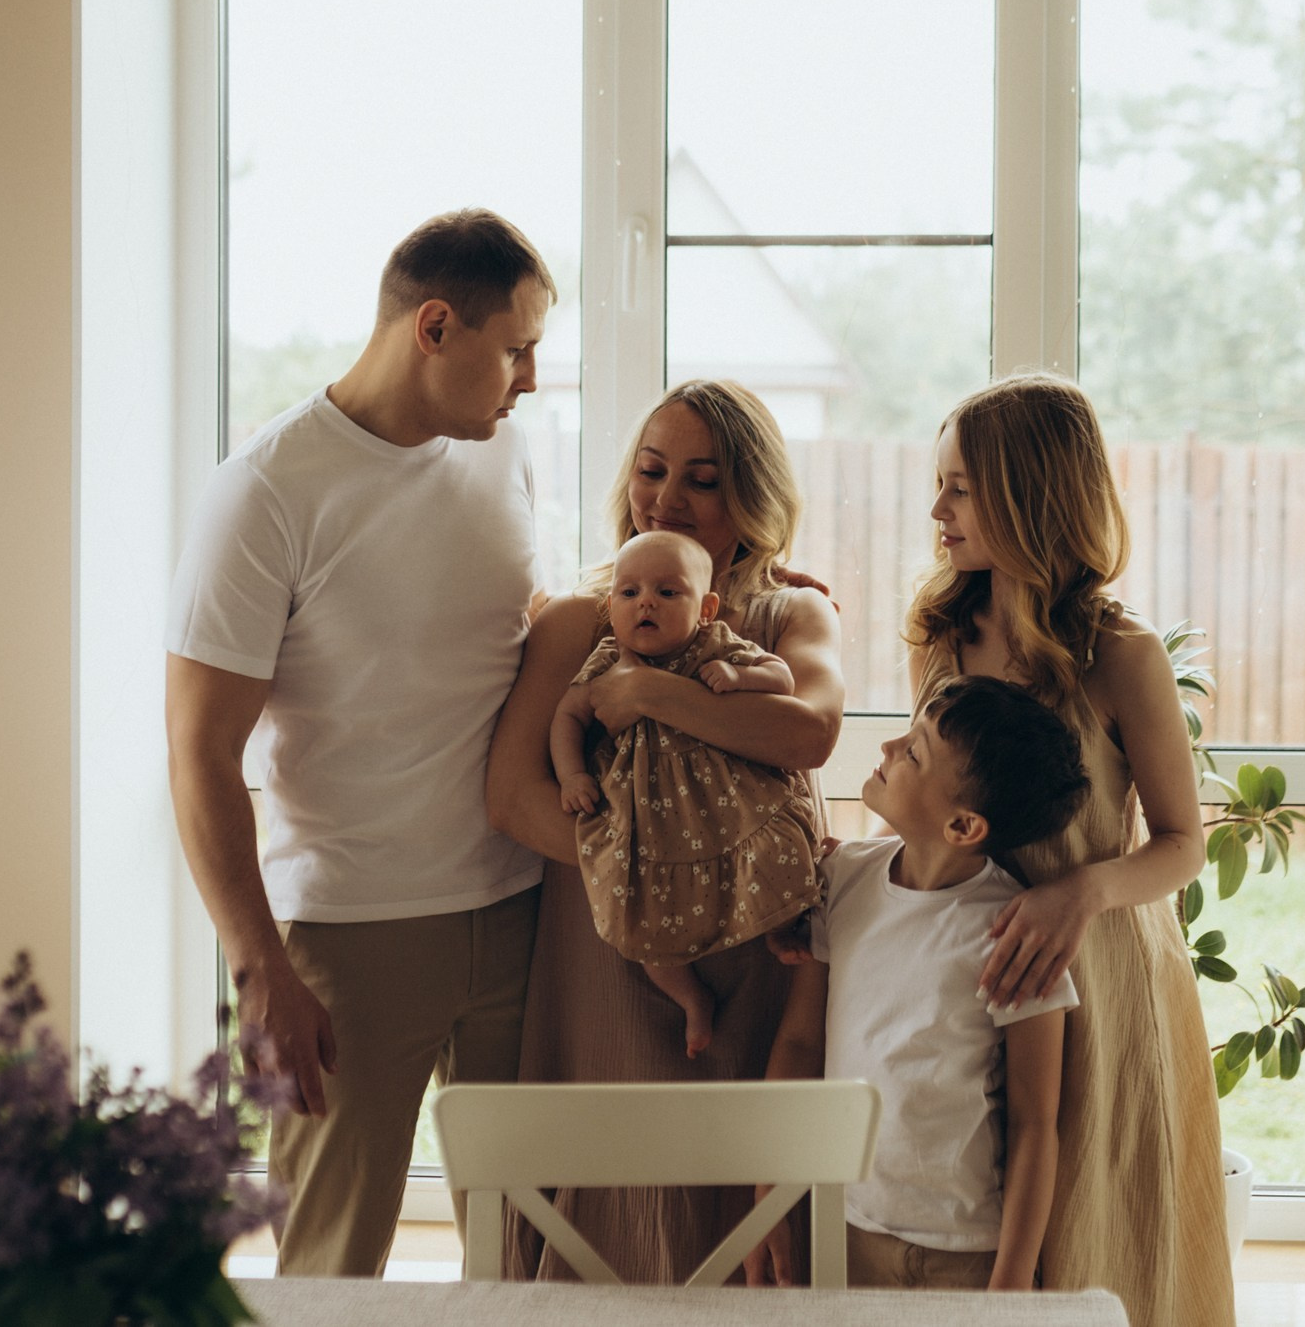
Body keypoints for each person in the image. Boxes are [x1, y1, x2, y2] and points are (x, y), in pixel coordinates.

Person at [164, 209, 555, 1278]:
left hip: (521, 911)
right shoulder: (267, 489)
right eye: (516, 350)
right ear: (436, 327)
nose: (528, 380)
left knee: (531, 1266)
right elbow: (200, 752)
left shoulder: (504, 453)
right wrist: (258, 968)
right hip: (350, 937)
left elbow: (517, 637)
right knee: (332, 1272)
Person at [485, 379, 846, 1282]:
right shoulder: (582, 622)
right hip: (609, 938)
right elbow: (512, 796)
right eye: (652, 470)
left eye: (703, 479)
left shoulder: (791, 615)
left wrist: (650, 693)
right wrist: (642, 870)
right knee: (614, 1186)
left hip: (756, 943)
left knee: (744, 1185)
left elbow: (809, 731)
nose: (667, 497)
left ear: (753, 498)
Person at [908, 373, 1237, 1327]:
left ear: (1028, 488)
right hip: (976, 969)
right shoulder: (940, 638)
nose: (938, 508)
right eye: (940, 483)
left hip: (1101, 975)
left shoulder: (1122, 654)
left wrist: (1080, 894)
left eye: (960, 486)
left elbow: (1182, 846)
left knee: (1096, 1230)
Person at [744, 674, 1092, 1293]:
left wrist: (1009, 1283)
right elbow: (799, 1043)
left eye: (914, 751)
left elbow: (1035, 1123)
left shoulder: (1016, 936)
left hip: (967, 1253)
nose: (888, 747)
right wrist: (767, 1203)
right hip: (845, 1230)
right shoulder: (842, 880)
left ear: (963, 826)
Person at [549, 530, 820, 1060]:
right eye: (629, 593)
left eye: (668, 592)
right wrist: (571, 776)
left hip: (725, 801)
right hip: (647, 812)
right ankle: (690, 997)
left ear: (706, 606)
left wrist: (738, 676)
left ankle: (784, 927)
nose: (645, 602)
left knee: (781, 858)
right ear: (612, 606)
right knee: (641, 920)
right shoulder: (606, 660)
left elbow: (782, 676)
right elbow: (568, 715)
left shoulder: (714, 644)